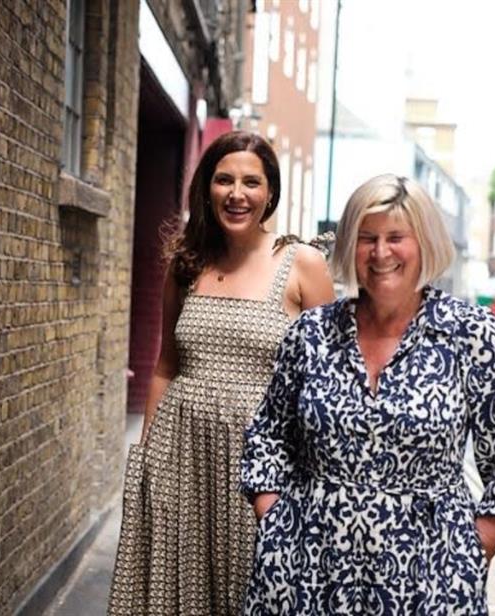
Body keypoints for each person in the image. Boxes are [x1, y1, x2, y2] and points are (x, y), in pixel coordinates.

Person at [241, 174, 495, 614]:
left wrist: (468, 552)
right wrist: (275, 521)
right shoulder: (310, 333)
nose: (381, 253)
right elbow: (268, 435)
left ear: (424, 243)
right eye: (367, 238)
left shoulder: (471, 335)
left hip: (428, 582)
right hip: (305, 575)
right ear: (350, 245)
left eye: (395, 237)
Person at [108, 131, 336, 615]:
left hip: (263, 461)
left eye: (251, 182)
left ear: (270, 192)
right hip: (180, 451)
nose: (237, 194)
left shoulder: (302, 264)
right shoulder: (186, 264)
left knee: (252, 587)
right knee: (177, 592)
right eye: (224, 180)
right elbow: (166, 364)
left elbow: (331, 383)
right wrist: (147, 456)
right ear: (206, 189)